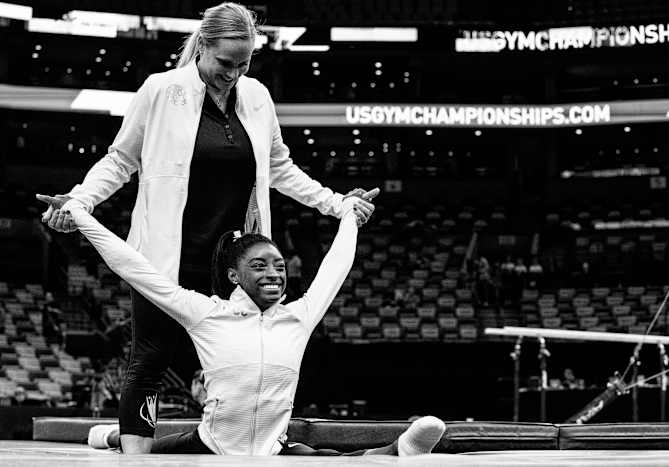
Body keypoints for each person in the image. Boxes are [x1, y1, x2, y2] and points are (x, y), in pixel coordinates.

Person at [36, 1, 376, 454]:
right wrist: (78, 202)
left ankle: (252, 446)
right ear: (203, 46)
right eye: (225, 62)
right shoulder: (160, 90)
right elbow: (120, 160)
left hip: (232, 263)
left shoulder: (257, 98)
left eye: (244, 63)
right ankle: (133, 456)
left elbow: (281, 168)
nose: (233, 73)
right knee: (151, 357)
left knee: (244, 366)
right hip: (165, 257)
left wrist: (337, 204)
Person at [61, 193, 446, 456]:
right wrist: (80, 216)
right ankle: (110, 435)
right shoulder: (205, 313)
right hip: (209, 446)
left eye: (279, 266)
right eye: (259, 266)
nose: (275, 274)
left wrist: (348, 215)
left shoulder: (299, 316)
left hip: (273, 450)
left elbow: (336, 267)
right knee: (137, 454)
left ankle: (401, 450)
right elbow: (134, 268)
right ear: (233, 275)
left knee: (341, 459)